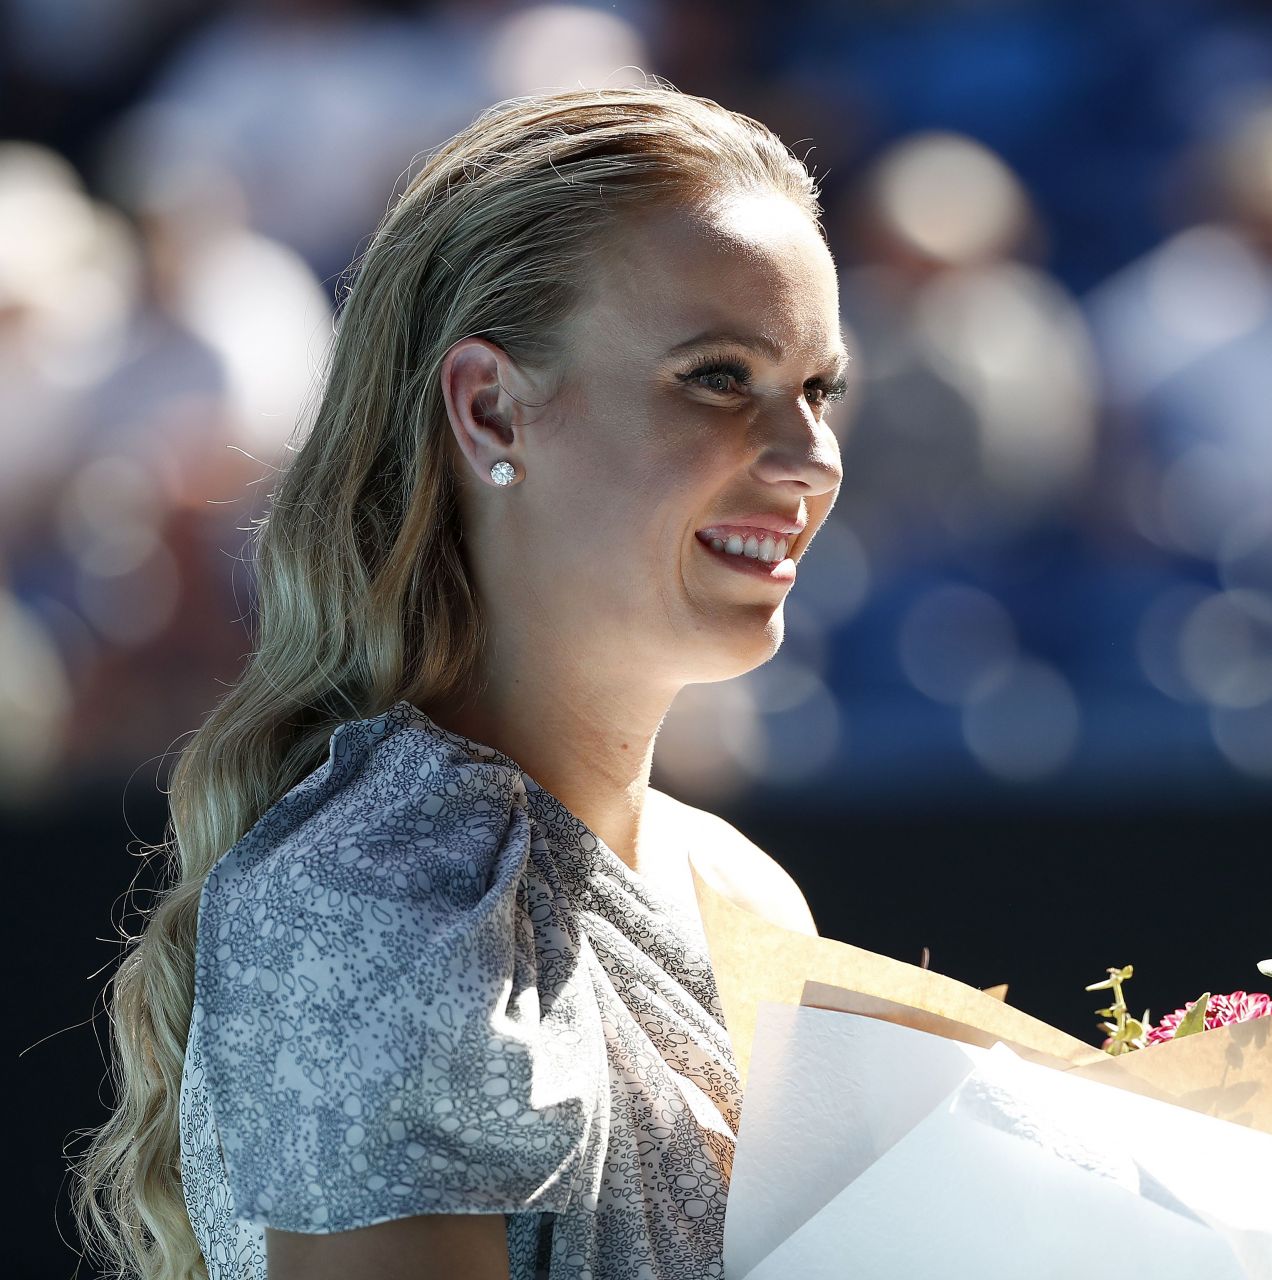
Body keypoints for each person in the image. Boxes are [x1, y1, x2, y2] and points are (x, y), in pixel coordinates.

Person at [71, 84, 849, 1280]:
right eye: (717, 377)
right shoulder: (383, 891)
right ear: (491, 407)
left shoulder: (748, 889)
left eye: (817, 389)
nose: (808, 458)